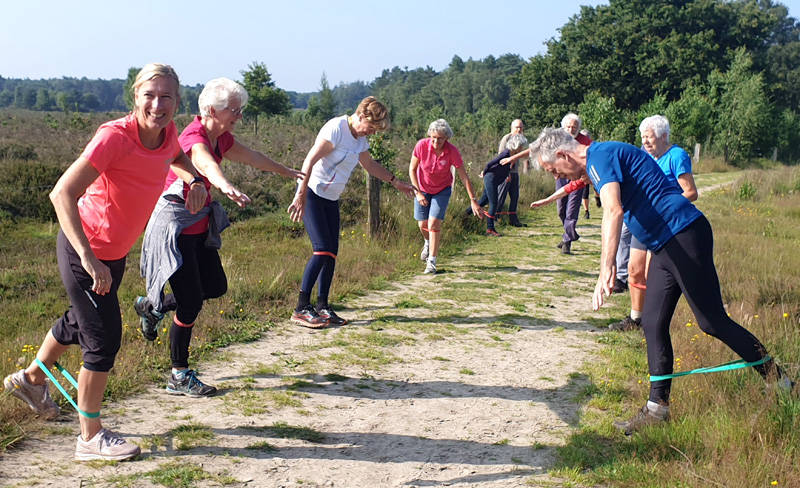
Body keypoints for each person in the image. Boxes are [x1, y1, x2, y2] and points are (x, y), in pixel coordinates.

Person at [3, 64, 208, 460]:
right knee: (103, 341)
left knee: (79, 320)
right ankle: (90, 438)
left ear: (178, 102)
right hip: (87, 249)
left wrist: (194, 180)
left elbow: (178, 157)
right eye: (149, 95)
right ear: (135, 97)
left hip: (112, 255)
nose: (157, 104)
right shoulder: (114, 138)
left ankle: (31, 380)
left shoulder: (166, 135)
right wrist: (88, 258)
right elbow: (61, 193)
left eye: (166, 96)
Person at [529, 127, 790, 435]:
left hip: (683, 235)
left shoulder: (600, 155)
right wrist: (555, 195)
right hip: (664, 244)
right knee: (652, 322)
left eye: (552, 170)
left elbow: (613, 209)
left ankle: (782, 382)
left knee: (711, 322)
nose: (554, 175)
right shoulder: (597, 160)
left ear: (562, 154)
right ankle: (657, 409)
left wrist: (606, 268)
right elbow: (581, 180)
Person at [135, 78, 304, 396]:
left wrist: (287, 171)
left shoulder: (221, 137)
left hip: (199, 228)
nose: (238, 117)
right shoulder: (193, 137)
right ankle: (178, 374)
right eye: (234, 111)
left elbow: (253, 157)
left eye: (240, 111)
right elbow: (204, 163)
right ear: (212, 110)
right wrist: (224, 185)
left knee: (215, 287)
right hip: (176, 231)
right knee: (190, 303)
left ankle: (153, 307)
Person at [288, 97, 415, 327]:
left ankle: (322, 307)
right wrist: (300, 193)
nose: (372, 133)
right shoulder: (337, 128)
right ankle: (300, 308)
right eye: (372, 127)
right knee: (322, 250)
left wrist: (397, 182)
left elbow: (369, 164)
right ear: (362, 116)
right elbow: (310, 160)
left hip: (331, 199)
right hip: (312, 193)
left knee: (332, 254)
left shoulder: (360, 139)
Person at [609, 115, 698, 331]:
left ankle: (652, 321)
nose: (645, 142)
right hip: (645, 222)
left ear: (664, 136)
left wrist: (663, 206)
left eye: (649, 137)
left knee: (652, 273)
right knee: (634, 269)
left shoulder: (676, 156)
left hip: (666, 225)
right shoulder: (647, 156)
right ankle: (636, 319)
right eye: (642, 137)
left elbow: (691, 192)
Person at [410, 119, 483, 273]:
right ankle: (427, 242)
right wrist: (417, 192)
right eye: (433, 137)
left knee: (434, 222)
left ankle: (432, 261)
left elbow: (464, 176)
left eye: (440, 138)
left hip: (442, 190)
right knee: (422, 225)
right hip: (422, 189)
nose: (436, 141)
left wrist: (473, 200)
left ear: (447, 138)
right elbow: (412, 169)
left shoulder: (452, 151)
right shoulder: (421, 145)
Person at [480, 134, 528, 236]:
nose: (522, 148)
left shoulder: (513, 156)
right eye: (521, 146)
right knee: (494, 203)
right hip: (490, 178)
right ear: (516, 145)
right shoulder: (506, 153)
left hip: (495, 180)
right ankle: (490, 229)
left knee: (482, 202)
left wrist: (507, 174)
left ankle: (465, 216)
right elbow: (490, 163)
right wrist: (484, 172)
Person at [494, 119, 527, 227]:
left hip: (515, 172)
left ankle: (513, 219)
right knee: (501, 196)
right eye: (517, 127)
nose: (519, 129)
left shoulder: (522, 139)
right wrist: (506, 173)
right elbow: (501, 156)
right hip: (505, 172)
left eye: (521, 127)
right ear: (512, 128)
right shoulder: (506, 138)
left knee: (515, 197)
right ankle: (495, 218)